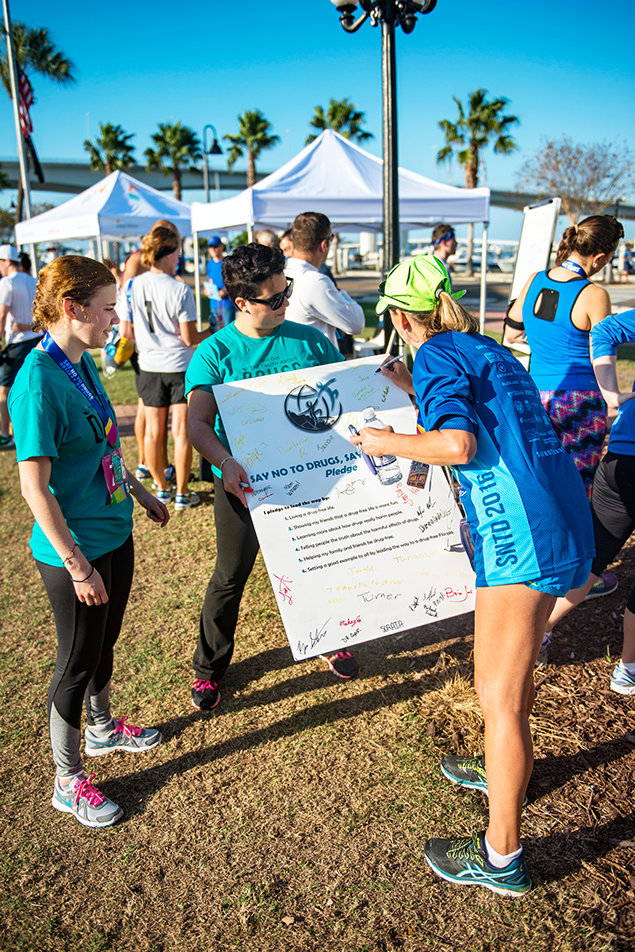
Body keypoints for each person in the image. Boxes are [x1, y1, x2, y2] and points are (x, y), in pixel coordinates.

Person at [349, 254, 594, 896]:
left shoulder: (433, 355)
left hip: (520, 536)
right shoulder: (482, 347)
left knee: (499, 699)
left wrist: (384, 441)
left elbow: (457, 444)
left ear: (401, 317)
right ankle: (499, 765)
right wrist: (413, 390)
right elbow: (493, 418)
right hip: (561, 513)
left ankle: (501, 856)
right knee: (506, 693)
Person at [9, 255, 169, 828]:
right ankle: (66, 778)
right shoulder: (37, 382)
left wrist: (138, 490)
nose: (116, 319)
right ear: (73, 309)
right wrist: (77, 566)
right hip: (72, 550)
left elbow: (102, 445)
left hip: (114, 528)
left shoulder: (81, 362)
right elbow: (35, 488)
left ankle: (102, 730)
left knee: (106, 643)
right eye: (107, 309)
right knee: (76, 660)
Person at [186, 242, 359, 712]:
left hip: (313, 478)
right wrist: (225, 464)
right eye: (274, 298)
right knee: (230, 575)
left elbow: (345, 399)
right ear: (241, 302)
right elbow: (198, 424)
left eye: (287, 292)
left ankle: (334, 636)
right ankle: (209, 668)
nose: (285, 303)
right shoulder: (215, 353)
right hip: (241, 485)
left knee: (322, 560)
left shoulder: (311, 341)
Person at [541, 308, 635, 692]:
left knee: (594, 558)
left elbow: (606, 330)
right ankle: (628, 670)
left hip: (621, 457)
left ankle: (538, 633)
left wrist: (614, 396)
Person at [505, 215, 624, 499]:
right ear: (598, 258)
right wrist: (613, 399)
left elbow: (510, 335)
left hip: (536, 395)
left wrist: (545, 340)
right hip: (579, 400)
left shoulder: (535, 279)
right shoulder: (594, 294)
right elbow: (602, 354)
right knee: (578, 486)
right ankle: (579, 543)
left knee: (541, 478)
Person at [119, 226, 211, 511]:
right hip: (179, 365)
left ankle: (161, 488)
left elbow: (127, 332)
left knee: (153, 432)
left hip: (148, 365)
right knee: (181, 431)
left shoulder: (132, 286)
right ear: (169, 254)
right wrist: (211, 332)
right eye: (178, 254)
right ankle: (182, 493)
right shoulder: (180, 288)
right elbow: (188, 337)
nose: (179, 260)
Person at [120, 219, 182, 484]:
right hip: (149, 348)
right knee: (147, 411)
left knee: (149, 411)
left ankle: (156, 467)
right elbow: (128, 313)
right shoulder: (136, 264)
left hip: (148, 348)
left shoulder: (142, 265)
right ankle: (147, 462)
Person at [284, 211, 364, 348]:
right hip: (315, 363)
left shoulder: (279, 272)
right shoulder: (314, 281)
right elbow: (356, 324)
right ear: (324, 245)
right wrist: (341, 293)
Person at [0, 244, 39, 448]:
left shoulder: (7, 282)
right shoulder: (33, 280)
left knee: (5, 390)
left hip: (17, 342)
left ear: (7, 261)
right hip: (35, 338)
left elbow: (2, 314)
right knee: (29, 387)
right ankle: (25, 430)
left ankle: (5, 434)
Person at [205, 235, 235, 327]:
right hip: (214, 302)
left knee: (228, 329)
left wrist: (225, 290)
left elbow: (234, 280)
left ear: (221, 246)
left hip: (226, 303)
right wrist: (207, 290)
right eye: (210, 247)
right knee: (214, 328)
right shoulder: (209, 264)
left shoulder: (227, 262)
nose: (213, 249)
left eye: (215, 246)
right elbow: (210, 280)